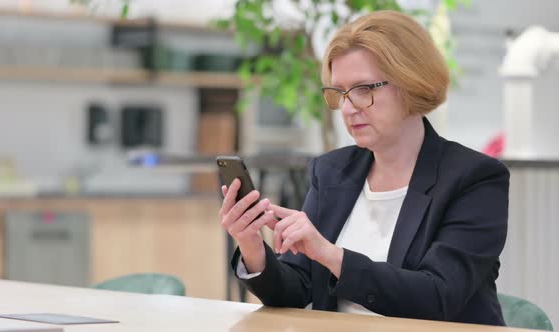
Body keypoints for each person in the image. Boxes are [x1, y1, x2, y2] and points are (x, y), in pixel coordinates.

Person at [218, 10, 509, 326]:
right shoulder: (331, 171)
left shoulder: (474, 178)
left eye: (363, 89)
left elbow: (438, 296)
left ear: (410, 83)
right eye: (340, 92)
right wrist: (252, 247)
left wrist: (330, 254)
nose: (347, 107)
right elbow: (296, 291)